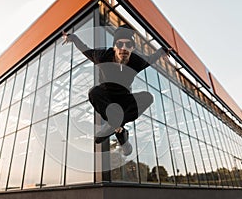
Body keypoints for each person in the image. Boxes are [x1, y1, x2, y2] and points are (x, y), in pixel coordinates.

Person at [62, 25, 169, 156]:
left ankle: (116, 127)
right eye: (119, 44)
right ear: (114, 47)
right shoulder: (102, 56)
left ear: (132, 48)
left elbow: (153, 57)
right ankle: (122, 136)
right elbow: (86, 50)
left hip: (125, 99)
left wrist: (163, 50)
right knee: (93, 92)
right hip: (107, 97)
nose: (123, 48)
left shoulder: (137, 61)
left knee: (148, 97)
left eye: (128, 44)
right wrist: (73, 38)